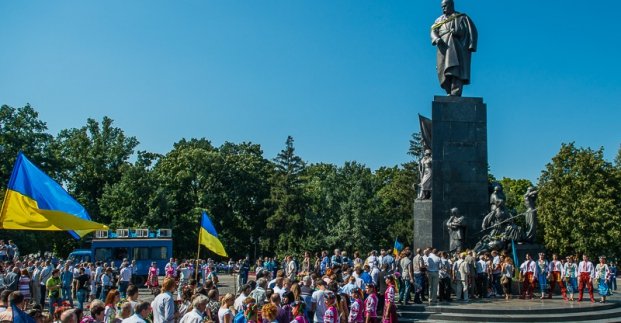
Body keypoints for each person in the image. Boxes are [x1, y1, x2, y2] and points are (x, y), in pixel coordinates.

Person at [430, 0, 477, 96]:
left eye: (445, 6)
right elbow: (433, 31)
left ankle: (455, 92)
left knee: (455, 69)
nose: (443, 8)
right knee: (442, 70)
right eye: (442, 7)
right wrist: (436, 39)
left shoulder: (461, 17)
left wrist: (457, 32)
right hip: (442, 48)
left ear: (451, 5)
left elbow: (470, 31)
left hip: (456, 48)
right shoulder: (439, 20)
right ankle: (448, 91)